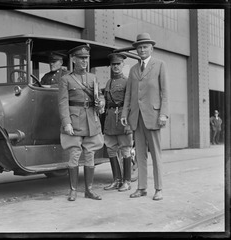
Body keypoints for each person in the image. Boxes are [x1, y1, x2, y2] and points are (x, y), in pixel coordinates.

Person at [121, 33, 169, 201]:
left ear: (151, 48)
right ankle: (141, 188)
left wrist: (163, 114)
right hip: (136, 117)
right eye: (139, 47)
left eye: (145, 47)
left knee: (156, 154)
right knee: (139, 153)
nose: (141, 49)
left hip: (154, 116)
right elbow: (129, 94)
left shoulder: (160, 65)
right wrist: (124, 114)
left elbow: (165, 93)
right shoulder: (133, 69)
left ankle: (159, 188)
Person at [58, 45, 105, 201]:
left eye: (86, 58)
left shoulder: (93, 78)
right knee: (74, 155)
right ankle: (72, 190)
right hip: (75, 120)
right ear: (74, 60)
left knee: (90, 154)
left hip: (91, 120)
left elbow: (100, 97)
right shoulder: (66, 79)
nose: (84, 61)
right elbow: (63, 103)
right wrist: (67, 123)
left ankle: (89, 190)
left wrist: (101, 103)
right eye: (81, 58)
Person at [103, 53, 133, 192]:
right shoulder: (109, 82)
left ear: (123, 65)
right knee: (111, 149)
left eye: (118, 64)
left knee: (126, 149)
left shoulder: (128, 82)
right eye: (113, 64)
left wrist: (129, 124)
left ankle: (127, 181)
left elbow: (131, 104)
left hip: (122, 117)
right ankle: (116, 180)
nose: (115, 67)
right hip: (110, 119)